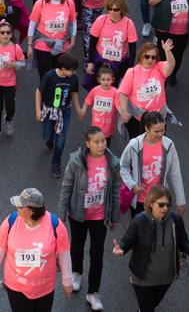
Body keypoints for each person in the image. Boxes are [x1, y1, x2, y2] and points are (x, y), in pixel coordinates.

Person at [58, 126, 121, 311]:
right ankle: (77, 272)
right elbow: (66, 189)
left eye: (103, 140)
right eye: (96, 142)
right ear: (88, 144)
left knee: (97, 253)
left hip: (99, 215)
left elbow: (115, 191)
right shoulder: (76, 162)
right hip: (78, 214)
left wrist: (115, 215)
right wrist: (60, 217)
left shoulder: (112, 163)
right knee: (77, 245)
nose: (101, 145)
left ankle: (93, 292)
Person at [112, 185, 189, 312]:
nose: (165, 208)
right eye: (161, 204)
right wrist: (121, 249)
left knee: (151, 305)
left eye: (168, 204)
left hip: (166, 278)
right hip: (143, 278)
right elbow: (127, 241)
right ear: (151, 203)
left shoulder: (175, 220)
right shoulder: (140, 220)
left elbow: (184, 242)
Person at [0, 187, 73, 310]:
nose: (17, 208)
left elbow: (64, 254)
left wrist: (67, 281)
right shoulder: (11, 221)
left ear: (32, 211)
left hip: (45, 289)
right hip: (16, 287)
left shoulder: (55, 225)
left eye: (21, 207)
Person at [120, 111, 186, 217]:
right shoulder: (135, 144)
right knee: (142, 232)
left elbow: (175, 173)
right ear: (146, 128)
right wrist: (132, 185)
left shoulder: (169, 145)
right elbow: (123, 166)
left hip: (160, 199)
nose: (161, 134)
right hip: (140, 201)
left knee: (159, 231)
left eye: (163, 130)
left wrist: (181, 201)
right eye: (156, 131)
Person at [36, 53, 81, 178]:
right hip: (49, 110)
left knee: (61, 139)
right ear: (62, 69)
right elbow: (39, 91)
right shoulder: (49, 76)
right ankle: (49, 140)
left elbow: (74, 94)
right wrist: (37, 110)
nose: (74, 72)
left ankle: (56, 165)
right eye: (72, 70)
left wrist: (78, 110)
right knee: (47, 135)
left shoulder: (73, 79)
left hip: (64, 111)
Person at [118, 42, 175, 139]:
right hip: (138, 120)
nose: (150, 60)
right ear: (141, 56)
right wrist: (124, 112)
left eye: (153, 57)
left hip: (158, 119)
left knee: (157, 146)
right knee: (139, 147)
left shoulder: (159, 67)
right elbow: (123, 94)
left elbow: (171, 66)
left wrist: (168, 51)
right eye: (147, 56)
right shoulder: (132, 72)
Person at [0, 19, 26, 144]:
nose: (5, 35)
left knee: (10, 107)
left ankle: (9, 119)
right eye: (2, 33)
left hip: (10, 83)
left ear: (12, 34)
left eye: (8, 32)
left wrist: (13, 64)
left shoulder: (16, 48)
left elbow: (23, 63)